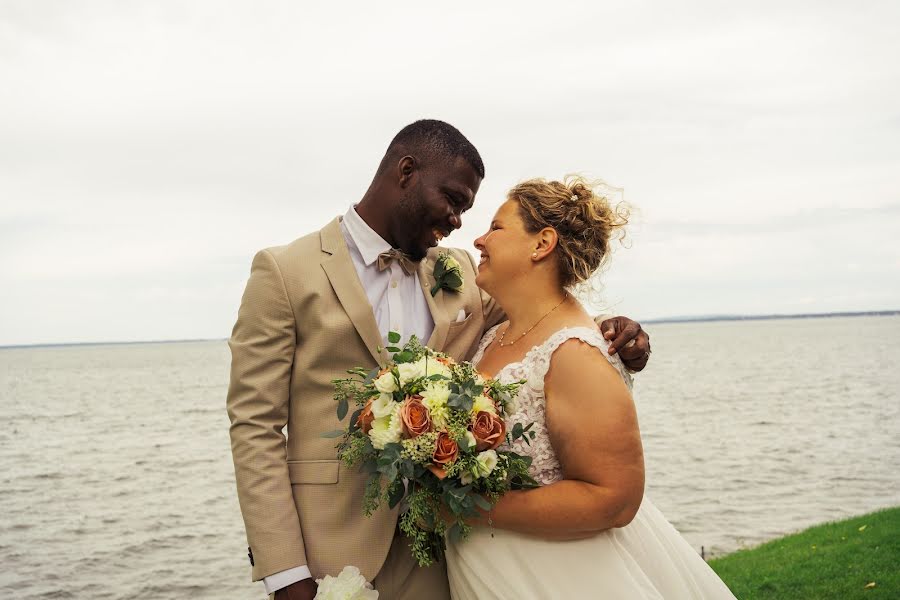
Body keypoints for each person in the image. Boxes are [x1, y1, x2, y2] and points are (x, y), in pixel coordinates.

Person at [226, 120, 651, 600]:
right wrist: (285, 572)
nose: (458, 221)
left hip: (443, 553)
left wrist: (614, 329)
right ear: (406, 171)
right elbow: (254, 426)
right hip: (328, 549)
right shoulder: (283, 272)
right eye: (453, 199)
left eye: (469, 211)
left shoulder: (463, 272)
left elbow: (542, 323)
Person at [445, 176, 736, 599]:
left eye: (496, 227)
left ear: (541, 243)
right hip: (492, 569)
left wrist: (469, 508)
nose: (480, 240)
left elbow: (615, 499)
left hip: (554, 577)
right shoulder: (495, 334)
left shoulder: (576, 352)